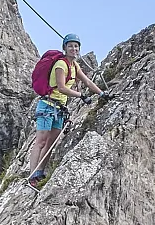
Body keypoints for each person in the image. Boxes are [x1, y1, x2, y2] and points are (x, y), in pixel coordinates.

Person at [23, 32, 104, 187]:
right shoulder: (61, 65)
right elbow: (61, 87)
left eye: (76, 46)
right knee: (41, 141)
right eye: (70, 46)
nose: (73, 49)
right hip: (47, 106)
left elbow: (86, 81)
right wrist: (81, 96)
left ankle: (39, 172)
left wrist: (102, 93)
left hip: (59, 109)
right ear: (65, 48)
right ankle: (31, 175)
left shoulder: (75, 66)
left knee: (51, 143)